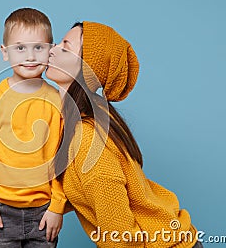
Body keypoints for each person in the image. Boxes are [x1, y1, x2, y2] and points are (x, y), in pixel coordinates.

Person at [45, 21, 203, 247]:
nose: (52, 49)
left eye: (66, 47)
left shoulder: (88, 138)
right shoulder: (80, 119)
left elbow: (121, 237)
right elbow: (81, 190)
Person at [0, 8, 66, 248]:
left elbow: (63, 157)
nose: (30, 56)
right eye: (20, 48)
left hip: (44, 213)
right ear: (5, 53)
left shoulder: (57, 101)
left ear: (50, 51)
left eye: (39, 47)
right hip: (1, 211)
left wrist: (57, 207)